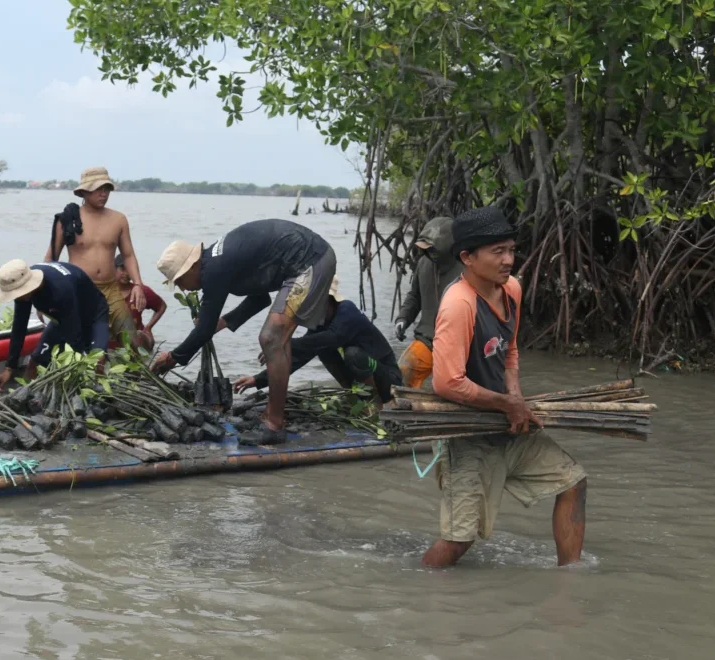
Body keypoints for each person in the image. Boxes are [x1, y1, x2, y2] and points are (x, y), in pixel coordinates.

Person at [422, 206, 588, 568]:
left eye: (511, 250)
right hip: (468, 435)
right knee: (458, 541)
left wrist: (514, 397)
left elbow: (509, 349)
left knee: (572, 481)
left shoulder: (511, 289)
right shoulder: (459, 305)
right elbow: (447, 383)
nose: (508, 260)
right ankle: (418, 587)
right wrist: (506, 405)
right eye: (497, 251)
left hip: (505, 425)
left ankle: (572, 578)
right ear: (467, 257)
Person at [151, 219, 337, 446]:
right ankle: (273, 414)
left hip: (310, 261)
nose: (181, 288)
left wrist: (173, 358)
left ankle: (274, 426)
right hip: (310, 260)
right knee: (278, 337)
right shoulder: (218, 261)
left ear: (190, 267)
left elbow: (203, 330)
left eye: (179, 281)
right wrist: (221, 323)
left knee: (271, 337)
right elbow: (259, 299)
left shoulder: (214, 270)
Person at [232, 277, 402, 403]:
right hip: (364, 381)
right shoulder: (321, 323)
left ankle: (373, 405)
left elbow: (334, 337)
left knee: (353, 354)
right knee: (322, 349)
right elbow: (299, 357)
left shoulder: (347, 311)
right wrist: (257, 379)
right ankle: (354, 396)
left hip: (389, 380)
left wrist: (286, 342)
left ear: (328, 299)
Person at [43, 167, 146, 346]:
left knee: (132, 343)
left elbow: (128, 255)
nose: (103, 194)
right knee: (77, 343)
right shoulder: (68, 219)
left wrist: (138, 284)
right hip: (78, 290)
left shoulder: (118, 219)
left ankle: (132, 373)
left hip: (110, 289)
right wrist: (45, 296)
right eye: (98, 189)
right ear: (84, 191)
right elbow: (50, 260)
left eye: (106, 189)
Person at [0, 259, 110, 392]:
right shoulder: (20, 281)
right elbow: (19, 326)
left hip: (93, 314)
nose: (16, 298)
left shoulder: (60, 290)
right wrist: (10, 368)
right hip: (61, 316)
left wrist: (80, 364)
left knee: (96, 363)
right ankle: (25, 395)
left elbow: (75, 336)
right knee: (34, 363)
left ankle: (97, 395)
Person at [394, 216, 462, 389]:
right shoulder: (423, 264)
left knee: (452, 387)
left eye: (432, 249)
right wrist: (403, 318)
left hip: (460, 343)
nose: (428, 253)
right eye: (424, 249)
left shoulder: (468, 268)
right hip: (428, 338)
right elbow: (414, 296)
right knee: (404, 372)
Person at [113, 253, 167, 351]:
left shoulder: (140, 291)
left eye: (129, 270)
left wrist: (148, 327)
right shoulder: (105, 292)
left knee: (139, 336)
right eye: (122, 269)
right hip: (112, 347)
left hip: (134, 345)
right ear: (114, 269)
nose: (126, 273)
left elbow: (161, 306)